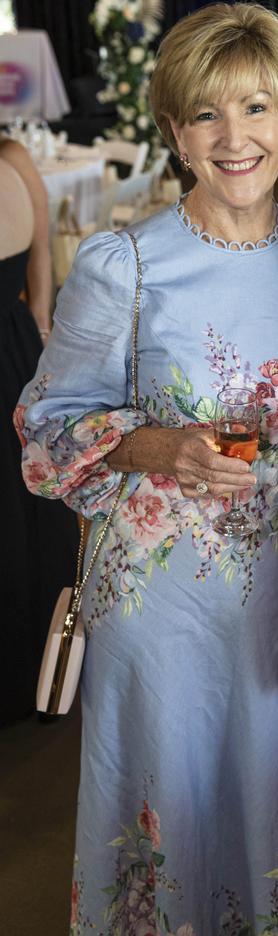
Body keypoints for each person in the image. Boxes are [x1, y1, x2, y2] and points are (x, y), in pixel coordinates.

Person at [15, 2, 278, 934]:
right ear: (174, 131)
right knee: (170, 797)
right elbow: (45, 430)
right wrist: (165, 447)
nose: (235, 137)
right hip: (159, 610)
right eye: (206, 114)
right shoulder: (124, 264)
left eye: (256, 108)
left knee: (274, 797)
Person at [0, 138, 78, 726]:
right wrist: (41, 323)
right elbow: (43, 261)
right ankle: (32, 666)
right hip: (16, 342)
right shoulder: (15, 156)